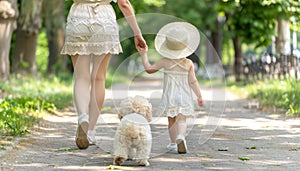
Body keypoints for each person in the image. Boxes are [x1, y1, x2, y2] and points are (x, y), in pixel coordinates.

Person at [61, 0, 147, 149]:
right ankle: (91, 131)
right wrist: (137, 33)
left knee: (81, 78)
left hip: (78, 17)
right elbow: (124, 3)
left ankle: (83, 118)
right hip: (104, 19)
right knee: (99, 79)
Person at [140, 22, 203, 154]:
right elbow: (193, 81)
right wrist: (199, 95)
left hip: (170, 95)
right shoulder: (188, 63)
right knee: (182, 119)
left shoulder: (165, 61)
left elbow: (149, 69)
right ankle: (181, 136)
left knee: (171, 120)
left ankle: (173, 143)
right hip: (184, 95)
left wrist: (144, 54)